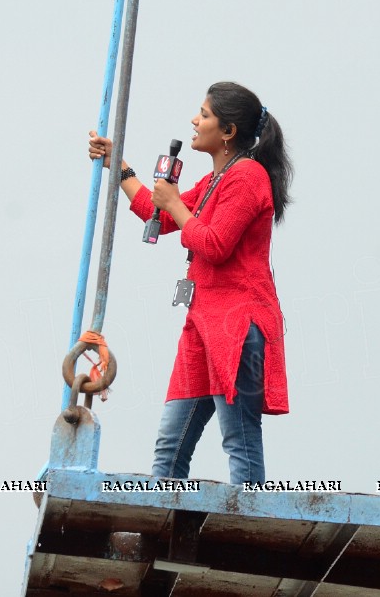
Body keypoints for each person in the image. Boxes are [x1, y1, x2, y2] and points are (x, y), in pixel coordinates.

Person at [87, 81, 291, 486]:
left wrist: (177, 205)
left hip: (236, 326)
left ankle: (246, 532)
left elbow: (213, 244)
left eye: (204, 114)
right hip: (204, 324)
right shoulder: (218, 178)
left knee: (240, 439)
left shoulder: (247, 176)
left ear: (228, 131)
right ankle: (164, 528)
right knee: (170, 445)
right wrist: (120, 166)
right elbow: (160, 215)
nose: (194, 121)